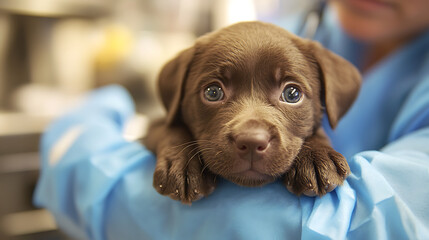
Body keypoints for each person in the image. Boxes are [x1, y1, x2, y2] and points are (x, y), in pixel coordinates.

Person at [34, 0, 429, 239]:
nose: (253, 130)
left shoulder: (310, 56)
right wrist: (172, 139)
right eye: (213, 92)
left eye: (291, 93)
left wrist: (80, 158)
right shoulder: (295, 29)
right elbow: (166, 120)